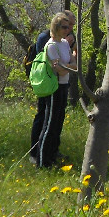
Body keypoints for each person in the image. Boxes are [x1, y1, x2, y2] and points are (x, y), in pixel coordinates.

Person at [31, 13, 77, 167]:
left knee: (57, 124)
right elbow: (60, 70)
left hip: (64, 86)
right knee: (49, 125)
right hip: (54, 87)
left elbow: (73, 65)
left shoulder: (64, 43)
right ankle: (42, 162)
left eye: (68, 27)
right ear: (56, 28)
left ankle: (51, 158)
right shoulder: (51, 45)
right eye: (64, 27)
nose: (67, 30)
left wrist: (67, 66)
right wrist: (68, 66)